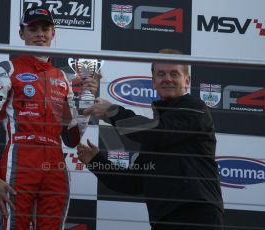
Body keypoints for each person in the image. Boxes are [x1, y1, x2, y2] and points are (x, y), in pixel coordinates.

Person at [0, 7, 99, 230]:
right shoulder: (7, 69)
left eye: (45, 28)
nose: (40, 34)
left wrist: (87, 103)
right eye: (32, 29)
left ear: (54, 33)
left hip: (54, 164)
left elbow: (71, 138)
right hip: (20, 161)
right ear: (22, 33)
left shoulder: (62, 77)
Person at [77, 49, 224, 230]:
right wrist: (95, 160)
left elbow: (159, 132)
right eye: (160, 74)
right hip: (163, 219)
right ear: (153, 81)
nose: (167, 79)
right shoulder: (157, 126)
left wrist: (112, 112)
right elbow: (133, 182)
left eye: (174, 74)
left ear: (187, 81)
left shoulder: (195, 108)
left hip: (196, 214)